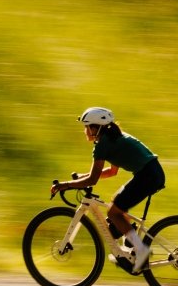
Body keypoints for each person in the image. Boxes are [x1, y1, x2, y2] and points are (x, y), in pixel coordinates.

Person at [50, 107, 166, 273]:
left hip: (148, 176)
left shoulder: (103, 144)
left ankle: (141, 250)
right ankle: (130, 241)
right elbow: (112, 171)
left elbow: (93, 179)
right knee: (116, 204)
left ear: (96, 128)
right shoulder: (113, 138)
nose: (85, 131)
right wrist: (84, 176)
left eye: (86, 126)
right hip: (151, 173)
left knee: (113, 212)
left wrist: (65, 185)